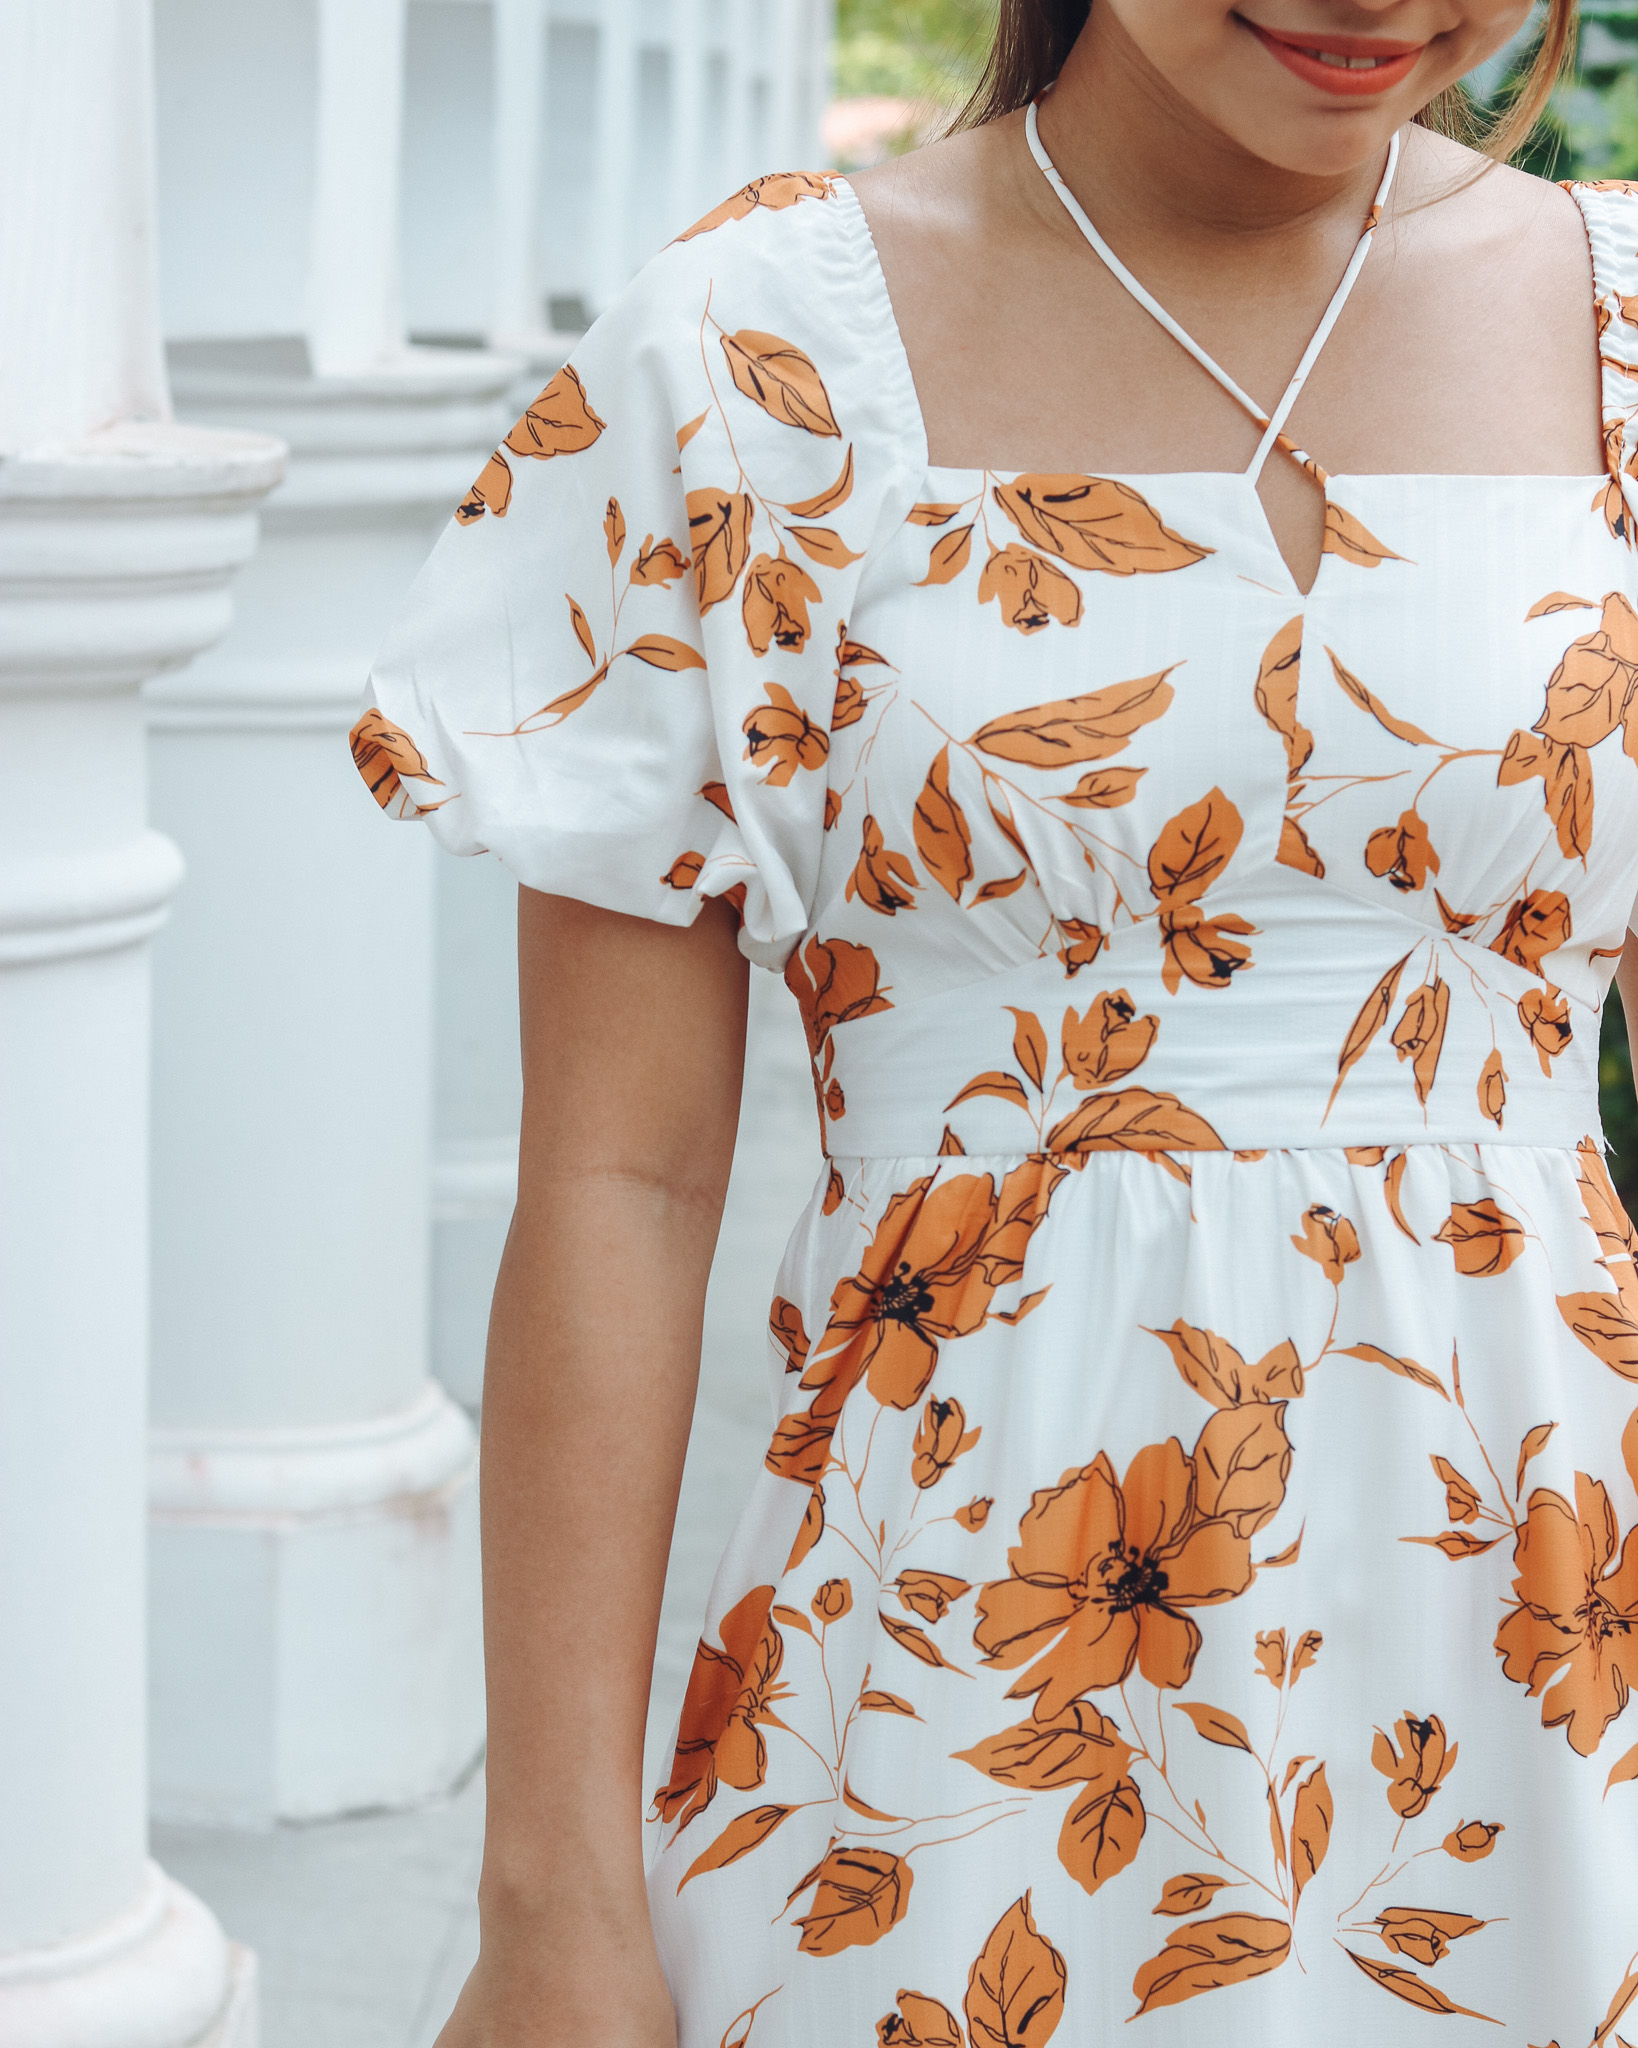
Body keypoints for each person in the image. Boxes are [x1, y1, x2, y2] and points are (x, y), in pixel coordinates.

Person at [351, 0, 1638, 2036]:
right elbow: (623, 1180)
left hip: (1549, 1660)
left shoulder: (1623, 327)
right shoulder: (744, 361)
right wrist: (553, 1901)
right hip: (957, 1681)